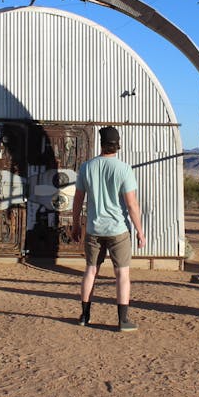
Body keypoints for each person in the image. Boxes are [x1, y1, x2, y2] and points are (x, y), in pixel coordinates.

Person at [71, 126, 147, 331]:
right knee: (122, 274)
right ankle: (123, 320)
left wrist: (76, 224)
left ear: (101, 143)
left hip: (94, 229)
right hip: (118, 231)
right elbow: (132, 205)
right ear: (117, 144)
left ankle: (84, 316)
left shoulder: (87, 167)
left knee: (90, 271)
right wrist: (140, 231)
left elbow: (78, 200)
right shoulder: (124, 169)